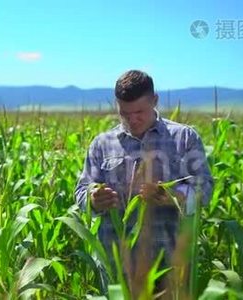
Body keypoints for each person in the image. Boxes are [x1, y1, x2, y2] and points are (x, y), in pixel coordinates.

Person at [74, 70, 213, 295]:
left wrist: (173, 197)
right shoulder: (102, 144)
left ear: (155, 101)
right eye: (124, 113)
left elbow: (205, 190)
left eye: (139, 111)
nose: (132, 119)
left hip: (170, 267)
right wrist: (93, 199)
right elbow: (82, 190)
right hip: (117, 269)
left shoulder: (184, 138)